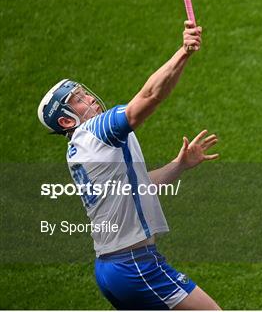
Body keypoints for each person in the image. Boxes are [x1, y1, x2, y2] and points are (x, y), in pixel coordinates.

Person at [37, 21, 221, 311]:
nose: (89, 98)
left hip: (109, 270)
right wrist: (183, 52)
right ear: (65, 121)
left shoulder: (79, 150)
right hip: (136, 265)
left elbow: (137, 186)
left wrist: (179, 165)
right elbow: (149, 97)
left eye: (83, 92)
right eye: (78, 100)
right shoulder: (96, 131)